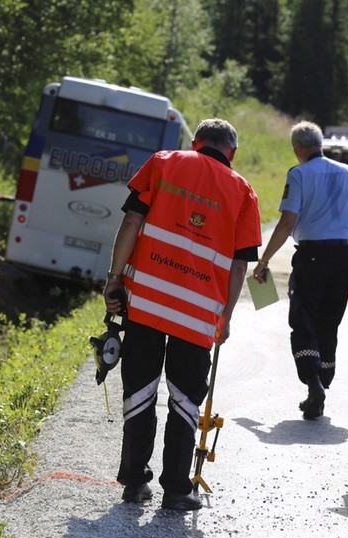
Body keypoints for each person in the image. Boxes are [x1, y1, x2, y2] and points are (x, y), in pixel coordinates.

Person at [104, 118, 262, 511]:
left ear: (196, 143)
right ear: (233, 153)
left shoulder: (162, 163)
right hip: (198, 314)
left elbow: (131, 221)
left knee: (140, 390)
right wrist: (224, 318)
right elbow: (240, 266)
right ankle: (176, 489)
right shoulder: (244, 192)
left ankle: (134, 481)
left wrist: (114, 279)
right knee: (184, 400)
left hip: (146, 304)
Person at [252, 121, 348, 420]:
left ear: (298, 149)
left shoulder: (298, 173)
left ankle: (313, 382)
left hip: (312, 256)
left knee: (303, 322)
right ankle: (321, 387)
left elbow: (288, 222)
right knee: (329, 324)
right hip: (343, 255)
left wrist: (264, 261)